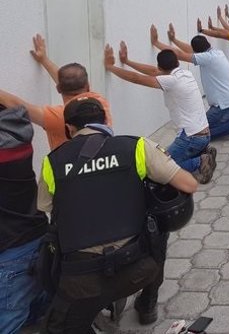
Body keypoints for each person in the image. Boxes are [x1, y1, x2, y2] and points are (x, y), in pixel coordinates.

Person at [38, 97, 198, 332]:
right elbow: (189, 184)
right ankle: (148, 303)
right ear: (105, 120)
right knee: (158, 227)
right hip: (138, 268)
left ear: (69, 129)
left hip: (81, 281)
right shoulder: (136, 147)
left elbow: (46, 207)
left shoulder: (51, 162)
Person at [103, 43, 217, 183]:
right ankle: (202, 151)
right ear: (177, 62)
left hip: (190, 138)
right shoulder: (185, 74)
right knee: (169, 158)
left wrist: (110, 67)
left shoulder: (171, 81)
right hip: (204, 135)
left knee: (162, 168)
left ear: (160, 67)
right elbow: (153, 71)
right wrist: (127, 61)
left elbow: (136, 78)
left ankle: (200, 161)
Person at [0, 34, 112, 149]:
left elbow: (17, 105)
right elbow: (71, 81)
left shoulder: (58, 116)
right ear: (88, 86)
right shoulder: (99, 103)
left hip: (68, 166)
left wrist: (44, 60)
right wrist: (44, 60)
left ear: (58, 89)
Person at [150, 24, 229, 140]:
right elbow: (189, 51)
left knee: (200, 132)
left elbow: (180, 54)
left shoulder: (207, 58)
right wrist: (174, 40)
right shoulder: (216, 53)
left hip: (224, 107)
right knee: (202, 127)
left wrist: (156, 42)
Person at [0, 104, 48, 334]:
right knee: (37, 299)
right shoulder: (17, 132)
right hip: (36, 231)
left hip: (11, 248)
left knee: (9, 320)